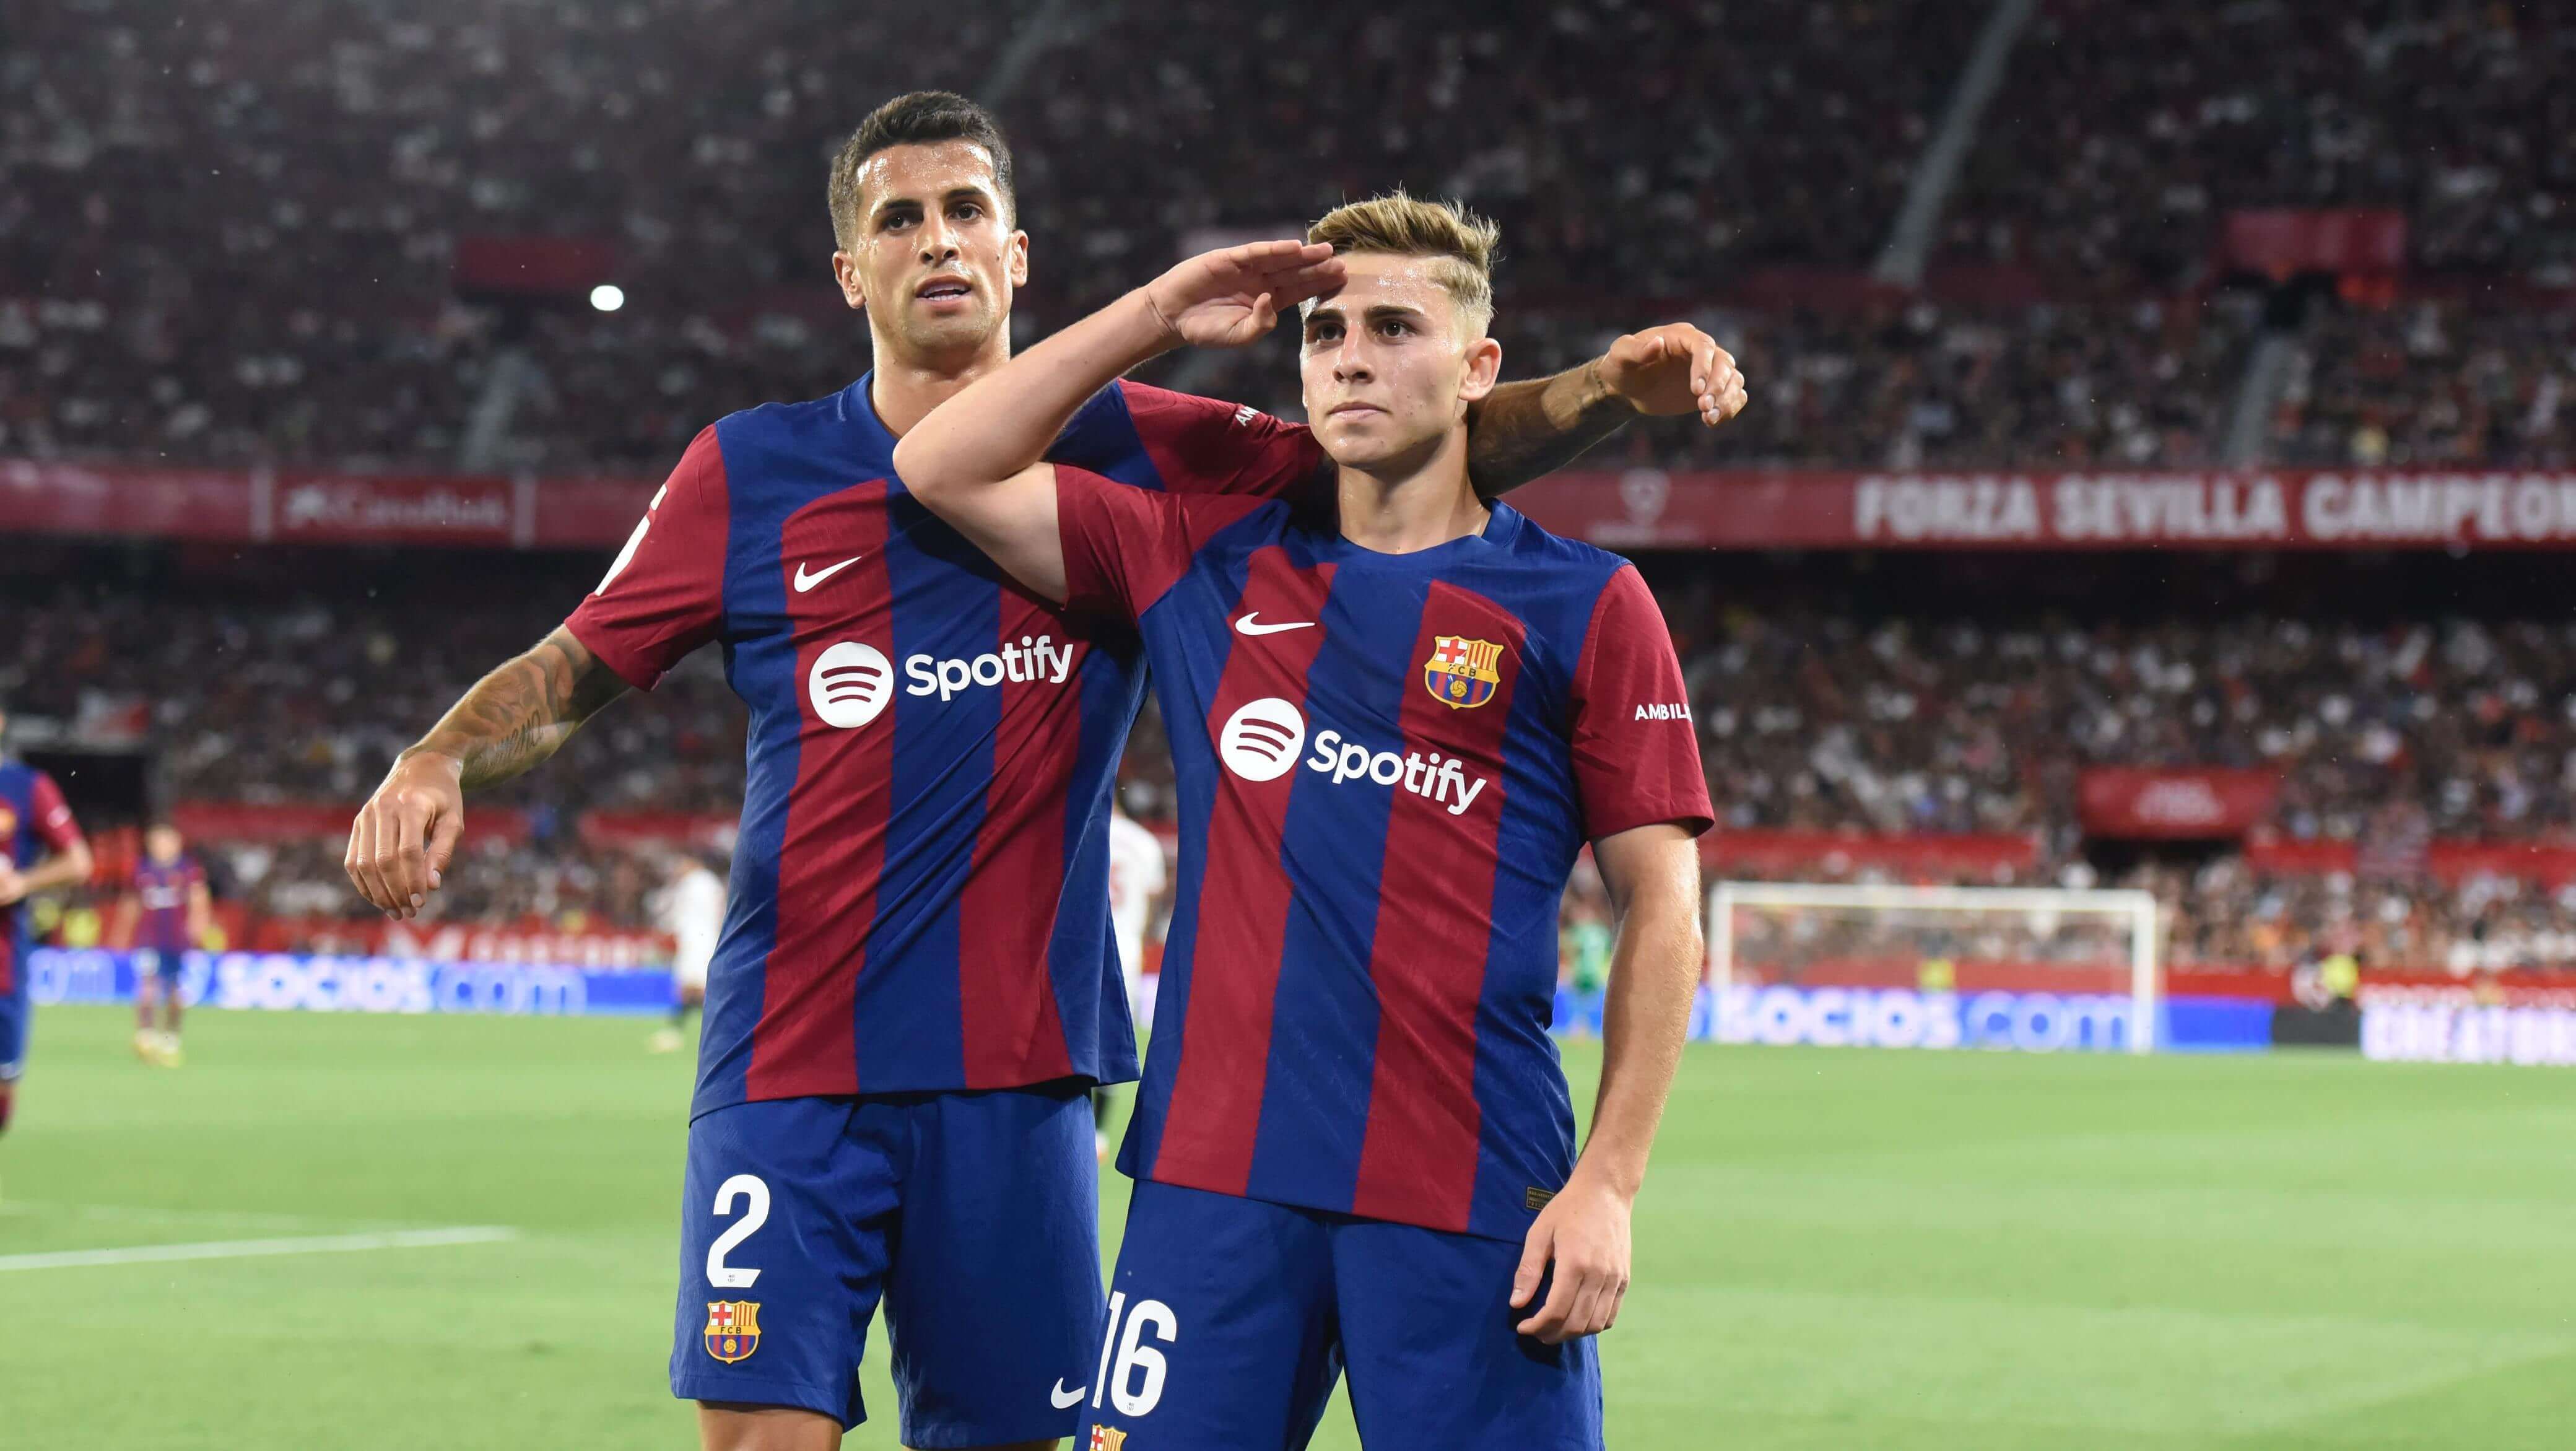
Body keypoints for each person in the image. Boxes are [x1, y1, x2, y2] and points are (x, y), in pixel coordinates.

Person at [343, 90, 1741, 1451]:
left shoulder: (1153, 459)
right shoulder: (750, 470)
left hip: (1022, 1070)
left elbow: (1415, 440)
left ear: (1017, 252)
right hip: (792, 1052)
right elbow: (584, 656)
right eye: (900, 220)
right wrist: (440, 750)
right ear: (851, 268)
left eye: (968, 210)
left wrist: (1608, 387)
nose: (937, 240)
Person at [895, 193, 1724, 1449]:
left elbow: (1663, 910)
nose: (1349, 353)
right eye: (1325, 329)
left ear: (1476, 367)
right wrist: (1162, 314)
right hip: (1209, 1188)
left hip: (1471, 1192)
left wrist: (1608, 1181)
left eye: (1395, 327)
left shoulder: (1585, 603)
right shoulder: (1201, 558)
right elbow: (939, 463)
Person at [0, 702, 95, 1143]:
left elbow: (79, 861)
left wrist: (22, 882)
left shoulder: (24, 786)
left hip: (3, 966)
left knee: (5, 1084)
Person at [1095, 800, 1167, 1156]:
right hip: (1127, 951)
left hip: (1082, 950)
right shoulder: (1144, 842)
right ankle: (1099, 1132)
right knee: (1113, 1043)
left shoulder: (1088, 825)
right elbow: (1155, 895)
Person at [123, 821, 210, 1066]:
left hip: (177, 939)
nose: (160, 847)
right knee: (148, 987)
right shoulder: (142, 870)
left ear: (176, 843)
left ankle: (171, 1038)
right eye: (156, 842)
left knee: (175, 991)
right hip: (149, 938)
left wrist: (198, 926)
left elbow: (199, 899)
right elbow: (131, 903)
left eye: (165, 842)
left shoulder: (187, 869)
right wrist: (123, 933)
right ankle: (146, 1036)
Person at [651, 849, 726, 1054]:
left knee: (695, 989)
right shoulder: (711, 883)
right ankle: (680, 1031)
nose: (678, 869)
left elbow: (673, 913)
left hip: (696, 941)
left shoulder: (693, 883)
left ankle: (716, 1031)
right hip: (706, 938)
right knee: (693, 988)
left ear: (692, 862)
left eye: (681, 863)